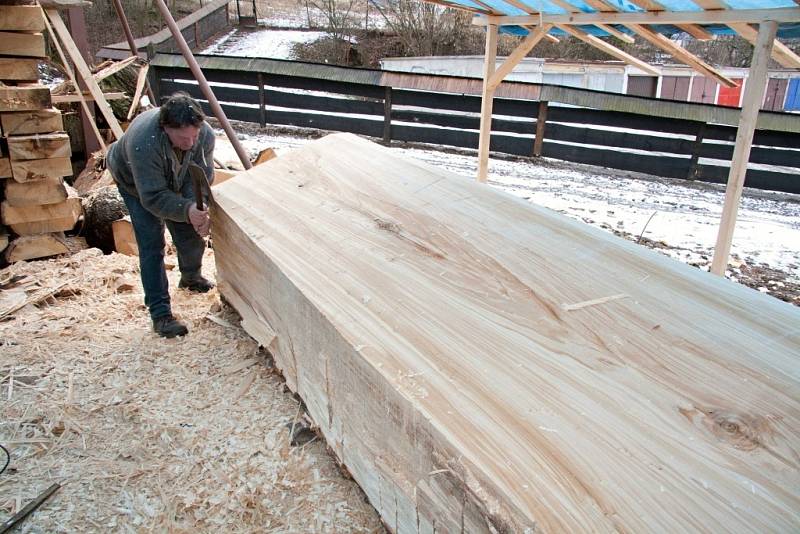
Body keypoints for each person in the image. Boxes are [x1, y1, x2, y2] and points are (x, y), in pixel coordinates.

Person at [107, 92, 215, 338]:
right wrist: (186, 209)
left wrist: (197, 208)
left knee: (189, 234)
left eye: (193, 136)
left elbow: (200, 175)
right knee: (152, 242)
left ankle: (191, 277)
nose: (189, 142)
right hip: (135, 184)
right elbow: (153, 196)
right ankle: (161, 314)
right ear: (166, 128)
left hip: (171, 177)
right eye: (182, 137)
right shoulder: (144, 142)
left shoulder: (204, 134)